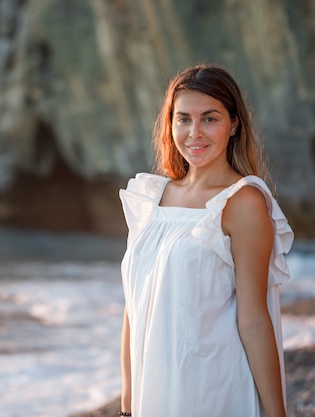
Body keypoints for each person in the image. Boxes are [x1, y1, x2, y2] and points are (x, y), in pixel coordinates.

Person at [119, 64, 293, 417]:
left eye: (209, 119)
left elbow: (254, 319)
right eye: (183, 119)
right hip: (155, 391)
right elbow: (134, 309)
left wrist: (277, 413)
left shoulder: (242, 202)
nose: (194, 132)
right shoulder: (150, 198)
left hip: (213, 389)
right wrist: (127, 404)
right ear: (170, 124)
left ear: (234, 124)